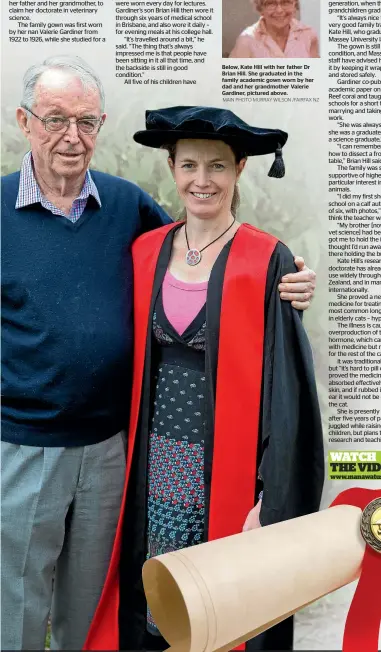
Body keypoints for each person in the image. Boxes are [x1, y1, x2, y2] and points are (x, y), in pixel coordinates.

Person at [1, 59, 315, 651]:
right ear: (26, 122)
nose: (73, 136)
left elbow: (212, 254)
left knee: (153, 606)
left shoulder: (143, 217)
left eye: (87, 121)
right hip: (82, 453)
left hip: (155, 454)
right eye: (56, 120)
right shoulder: (138, 242)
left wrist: (296, 277)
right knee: (47, 605)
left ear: (239, 168)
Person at [84, 107, 324, 651]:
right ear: (171, 167)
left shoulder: (267, 260)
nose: (202, 180)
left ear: (240, 168)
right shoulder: (147, 251)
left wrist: (272, 496)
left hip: (226, 471)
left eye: (217, 166)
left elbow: (287, 394)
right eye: (189, 164)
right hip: (156, 471)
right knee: (160, 610)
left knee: (221, 615)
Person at [229, 0, 319, 59]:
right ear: (260, 9)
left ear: (295, 6)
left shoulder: (308, 35)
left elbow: (316, 77)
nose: (279, 10)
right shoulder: (246, 40)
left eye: (286, 2)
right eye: (270, 3)